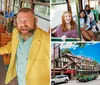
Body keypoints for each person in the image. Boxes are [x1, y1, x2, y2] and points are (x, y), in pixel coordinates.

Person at [0, 8, 50, 85]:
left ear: (35, 21)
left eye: (28, 20)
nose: (23, 24)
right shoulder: (16, 32)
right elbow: (11, 46)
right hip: (20, 80)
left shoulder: (47, 39)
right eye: (20, 20)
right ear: (16, 22)